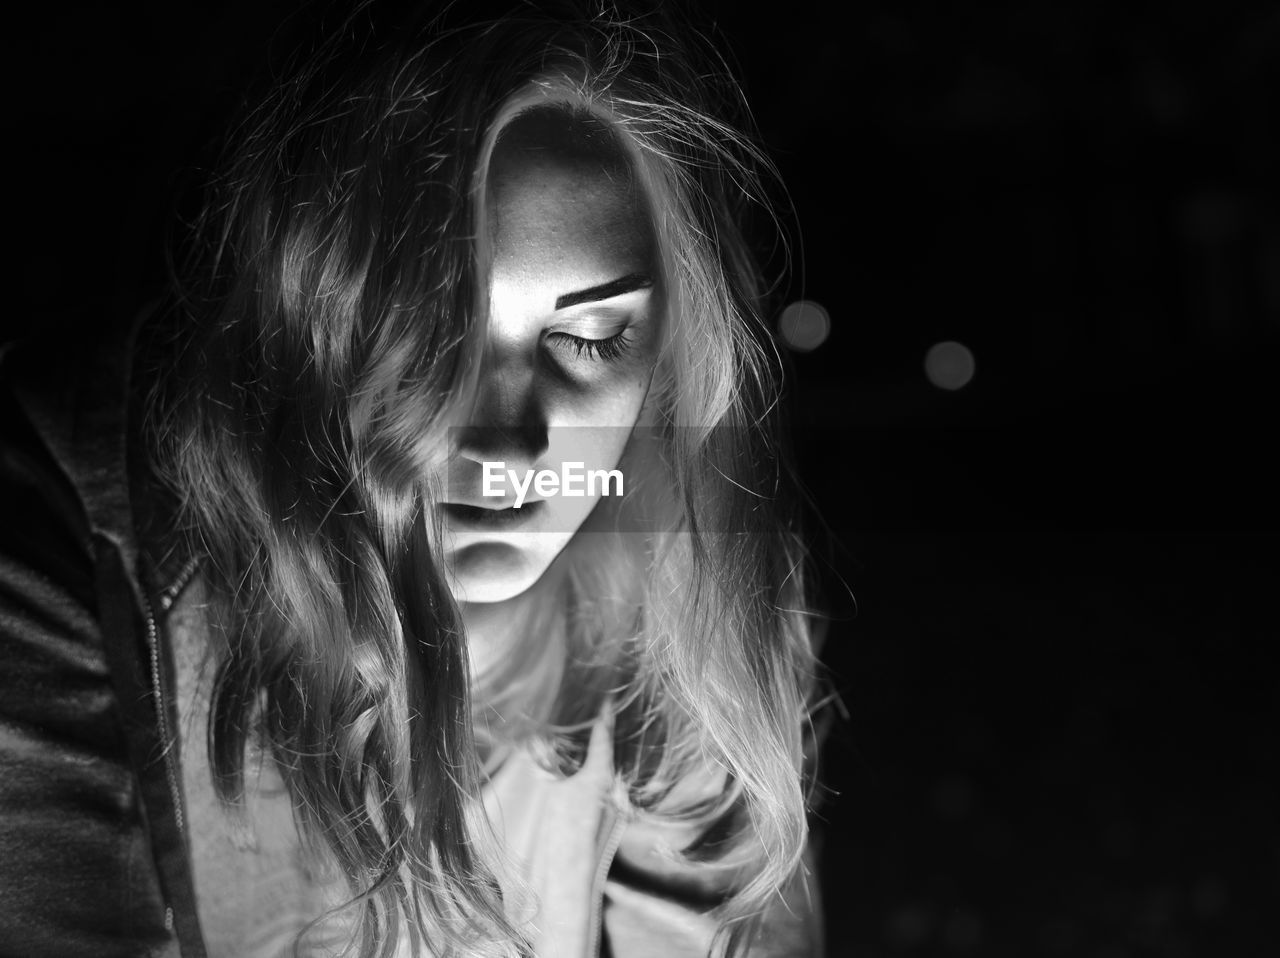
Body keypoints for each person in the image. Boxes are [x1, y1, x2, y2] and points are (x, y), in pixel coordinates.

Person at [0, 3, 829, 956]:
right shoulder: (67, 534)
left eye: (590, 339)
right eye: (442, 336)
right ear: (308, 323)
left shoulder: (680, 556)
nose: (512, 442)